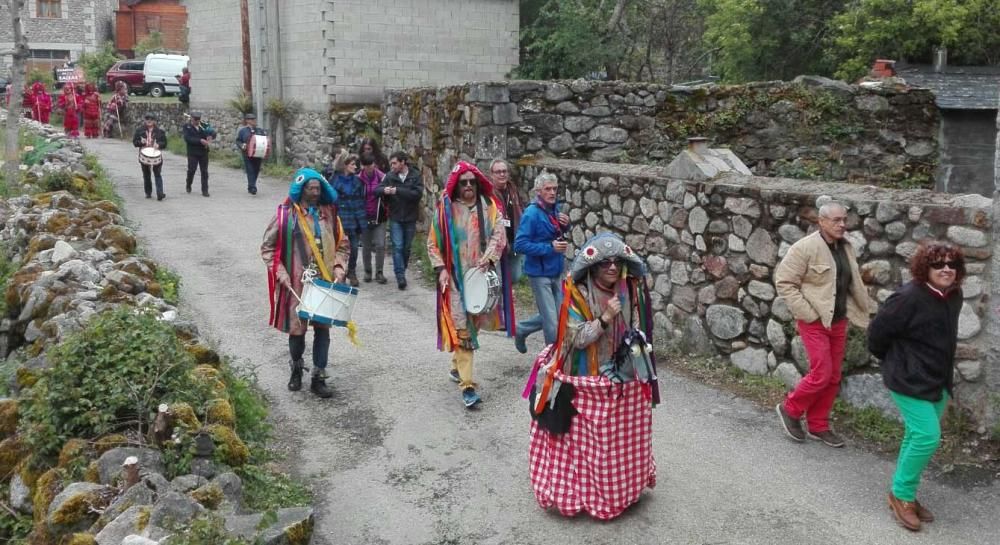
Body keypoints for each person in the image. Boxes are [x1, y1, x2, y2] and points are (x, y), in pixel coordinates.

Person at [525, 232, 659, 520]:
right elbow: (576, 339)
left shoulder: (629, 289)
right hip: (586, 380)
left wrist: (636, 345)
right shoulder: (578, 294)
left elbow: (637, 325)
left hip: (619, 379)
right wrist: (606, 319)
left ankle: (620, 490)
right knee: (590, 445)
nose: (611, 268)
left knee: (617, 441)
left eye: (616, 262)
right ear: (592, 267)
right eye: (604, 263)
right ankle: (584, 494)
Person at [867, 241, 964, 532]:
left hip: (938, 379)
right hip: (907, 379)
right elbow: (877, 335)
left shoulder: (953, 295)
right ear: (925, 268)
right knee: (927, 436)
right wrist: (897, 363)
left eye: (952, 264)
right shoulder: (908, 297)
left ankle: (900, 489)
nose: (947, 269)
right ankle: (902, 496)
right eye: (938, 264)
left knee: (915, 434)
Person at [774, 199, 873, 447]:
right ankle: (790, 409)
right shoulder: (804, 248)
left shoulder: (845, 247)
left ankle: (819, 425)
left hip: (838, 320)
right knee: (822, 373)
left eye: (844, 220)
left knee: (833, 376)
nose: (842, 225)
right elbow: (784, 281)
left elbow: (851, 282)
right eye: (836, 220)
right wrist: (808, 313)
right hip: (814, 320)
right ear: (821, 221)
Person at [428, 161, 514, 408]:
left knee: (472, 326)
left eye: (472, 182)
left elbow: (500, 235)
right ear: (456, 185)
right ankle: (467, 386)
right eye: (463, 182)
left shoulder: (488, 207)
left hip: (480, 281)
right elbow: (432, 243)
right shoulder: (445, 211)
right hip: (455, 281)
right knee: (463, 330)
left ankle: (457, 365)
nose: (468, 186)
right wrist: (441, 269)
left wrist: (488, 259)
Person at [260, 168, 349, 399]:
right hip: (296, 285)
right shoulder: (285, 216)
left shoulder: (329, 214)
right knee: (297, 331)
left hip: (324, 283)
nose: (315, 192)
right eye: (311, 188)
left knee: (323, 330)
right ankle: (296, 370)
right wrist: (280, 273)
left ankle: (319, 377)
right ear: (301, 190)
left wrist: (339, 267)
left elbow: (342, 245)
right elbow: (268, 248)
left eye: (318, 188)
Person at [513, 171, 570, 354]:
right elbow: (520, 244)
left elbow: (555, 232)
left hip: (556, 270)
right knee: (552, 322)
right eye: (548, 189)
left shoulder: (554, 208)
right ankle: (553, 360)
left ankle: (522, 328)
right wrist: (549, 248)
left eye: (554, 189)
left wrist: (566, 225)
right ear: (539, 191)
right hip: (539, 274)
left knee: (559, 315)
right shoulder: (531, 213)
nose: (552, 192)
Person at [375, 151, 423, 290]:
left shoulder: (415, 175)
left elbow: (417, 194)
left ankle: (402, 268)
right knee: (398, 246)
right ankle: (400, 276)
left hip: (410, 217)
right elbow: (377, 190)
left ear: (403, 162)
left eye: (394, 163)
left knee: (406, 248)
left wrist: (398, 190)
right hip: (395, 217)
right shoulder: (390, 176)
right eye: (391, 164)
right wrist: (385, 190)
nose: (392, 166)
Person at [330, 150, 366, 287]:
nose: (356, 167)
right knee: (339, 248)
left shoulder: (358, 181)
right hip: (340, 220)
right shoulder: (334, 180)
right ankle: (341, 272)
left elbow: (361, 201)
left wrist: (362, 221)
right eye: (352, 164)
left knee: (355, 248)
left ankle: (352, 271)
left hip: (354, 220)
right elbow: (330, 202)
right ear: (345, 165)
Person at [490, 159, 525, 282]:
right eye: (498, 172)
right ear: (492, 174)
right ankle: (502, 300)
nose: (502, 174)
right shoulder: (488, 194)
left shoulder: (513, 190)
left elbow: (521, 208)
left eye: (504, 171)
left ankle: (508, 298)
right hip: (497, 244)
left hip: (514, 240)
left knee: (514, 277)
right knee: (498, 279)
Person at [359, 153, 387, 284]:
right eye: (366, 166)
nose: (369, 168)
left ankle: (379, 272)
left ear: (374, 165)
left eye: (370, 165)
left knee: (380, 244)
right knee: (366, 246)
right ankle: (368, 271)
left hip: (379, 216)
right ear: (362, 166)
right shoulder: (358, 179)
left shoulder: (382, 177)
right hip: (364, 216)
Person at [132, 113, 168, 201]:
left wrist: (159, 145)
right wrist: (141, 142)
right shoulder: (139, 130)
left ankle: (160, 193)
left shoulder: (160, 131)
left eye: (151, 119)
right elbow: (135, 143)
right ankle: (148, 192)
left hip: (156, 155)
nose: (149, 121)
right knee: (146, 175)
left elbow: (165, 143)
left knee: (157, 174)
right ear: (145, 120)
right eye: (147, 119)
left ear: (154, 121)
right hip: (144, 155)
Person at [182, 111, 216, 197]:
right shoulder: (187, 127)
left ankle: (205, 190)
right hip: (192, 152)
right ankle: (188, 184)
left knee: (204, 172)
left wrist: (211, 136)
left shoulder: (204, 125)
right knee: (192, 170)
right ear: (191, 119)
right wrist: (200, 140)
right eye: (195, 119)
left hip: (203, 152)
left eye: (198, 119)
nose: (197, 121)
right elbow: (188, 138)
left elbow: (213, 132)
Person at [236, 112, 267, 195]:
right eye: (252, 119)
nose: (254, 120)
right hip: (247, 154)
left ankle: (251, 186)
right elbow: (238, 140)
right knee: (250, 170)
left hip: (258, 154)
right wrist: (242, 145)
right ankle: (253, 187)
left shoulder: (260, 130)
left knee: (256, 170)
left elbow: (264, 140)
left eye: (254, 119)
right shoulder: (243, 131)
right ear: (247, 121)